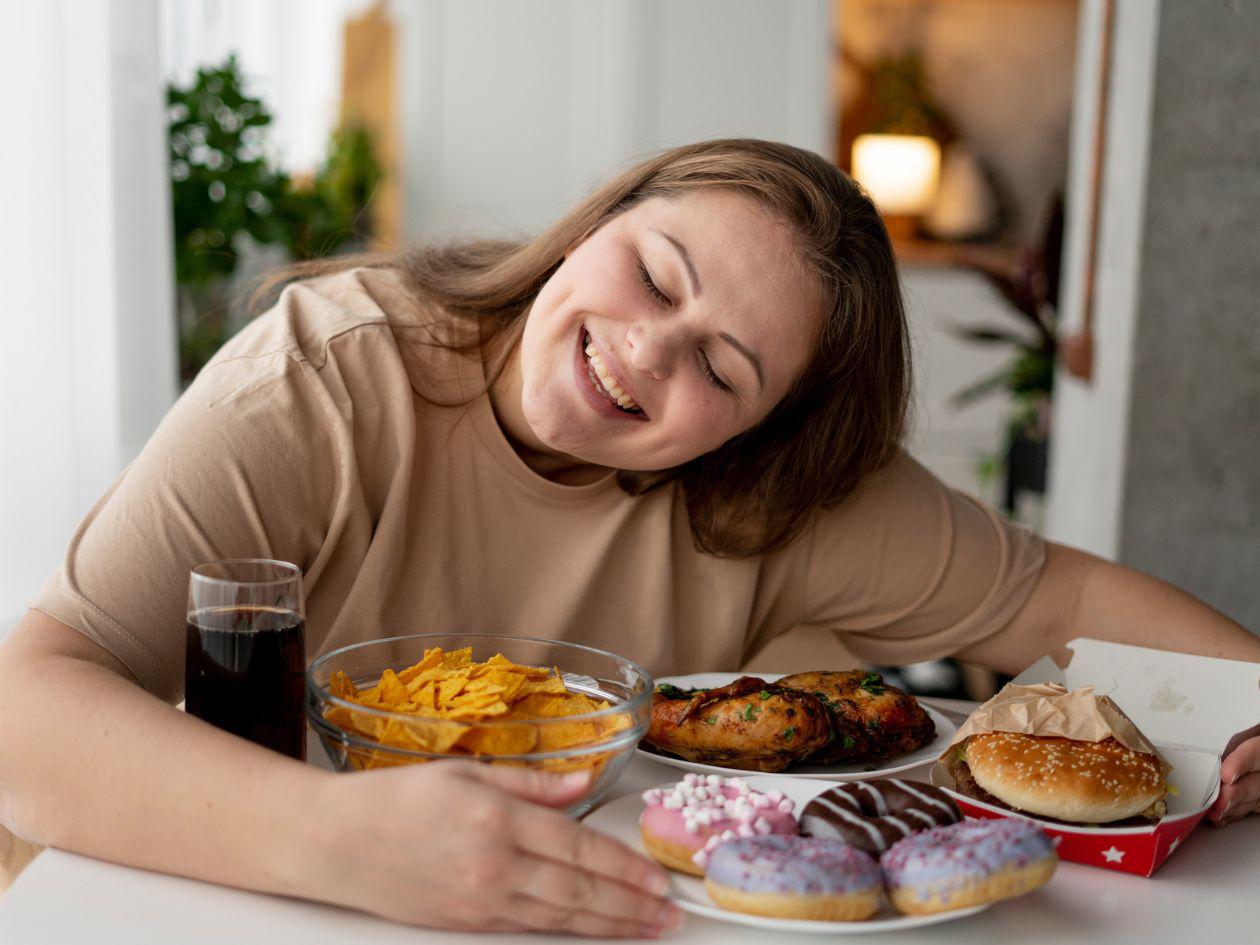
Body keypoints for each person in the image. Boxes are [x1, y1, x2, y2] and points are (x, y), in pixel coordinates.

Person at [0, 139, 1256, 935]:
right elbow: (27, 713)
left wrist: (1250, 710)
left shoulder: (786, 491)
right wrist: (338, 840)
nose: (647, 351)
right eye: (654, 275)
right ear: (597, 221)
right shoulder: (322, 379)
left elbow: (1061, 600)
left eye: (722, 367)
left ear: (763, 431)